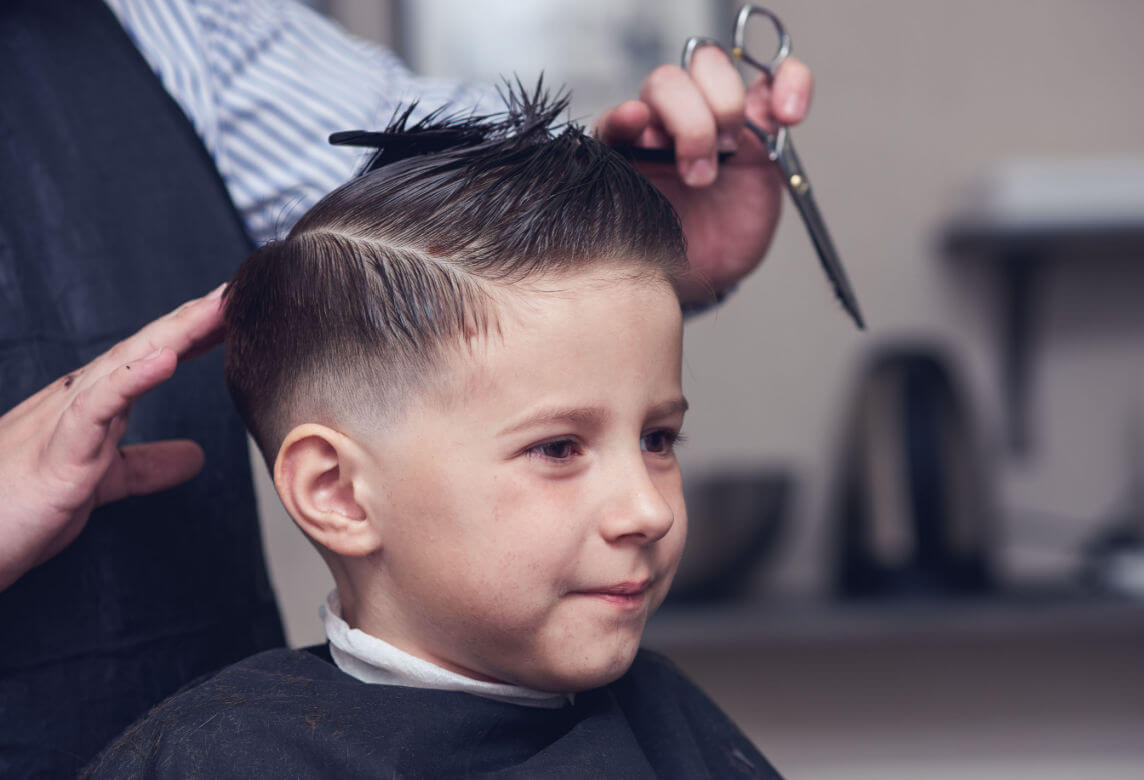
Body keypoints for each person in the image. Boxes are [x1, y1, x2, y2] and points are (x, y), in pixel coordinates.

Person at [0, 0, 811, 773]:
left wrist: (618, 209)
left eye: (658, 438)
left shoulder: (178, 22)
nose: (652, 510)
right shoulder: (223, 758)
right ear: (339, 491)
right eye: (559, 447)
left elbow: (421, 227)